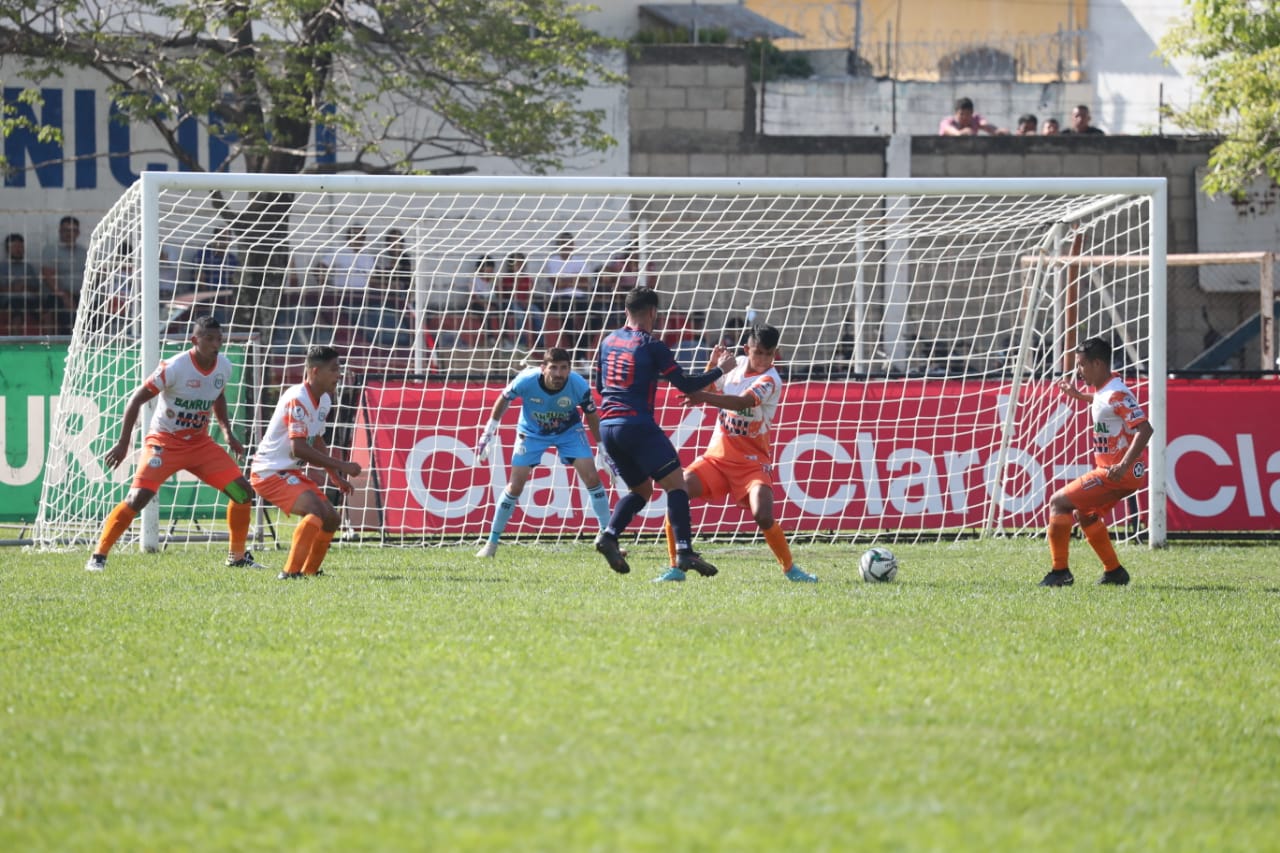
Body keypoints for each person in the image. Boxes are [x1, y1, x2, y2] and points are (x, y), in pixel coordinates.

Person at [84, 316, 262, 572]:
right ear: (195, 340)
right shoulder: (175, 367)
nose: (216, 344)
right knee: (138, 498)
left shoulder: (224, 366)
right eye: (209, 339)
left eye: (219, 339)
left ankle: (237, 557)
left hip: (200, 445)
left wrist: (227, 432)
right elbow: (136, 399)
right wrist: (124, 443)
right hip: (164, 442)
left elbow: (218, 396)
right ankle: (98, 556)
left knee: (243, 493)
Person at [592, 285, 737, 577]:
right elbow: (685, 384)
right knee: (676, 485)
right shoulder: (651, 345)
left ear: (625, 312)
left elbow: (598, 386)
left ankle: (609, 535)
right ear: (653, 313)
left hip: (608, 427)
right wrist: (722, 369)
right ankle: (684, 551)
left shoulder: (607, 342)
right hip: (636, 425)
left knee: (642, 490)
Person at [657, 323, 817, 583]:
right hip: (717, 458)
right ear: (747, 349)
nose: (764, 359)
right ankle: (675, 567)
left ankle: (791, 569)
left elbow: (741, 402)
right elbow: (706, 389)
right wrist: (712, 366)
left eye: (769, 354)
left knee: (763, 515)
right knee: (679, 491)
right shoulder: (734, 365)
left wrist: (703, 398)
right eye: (758, 353)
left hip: (753, 464)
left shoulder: (771, 380)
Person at [473, 347, 612, 557]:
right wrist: (488, 432)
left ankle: (607, 537)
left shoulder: (579, 385)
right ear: (543, 368)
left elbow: (591, 414)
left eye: (563, 368)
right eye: (553, 368)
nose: (558, 374)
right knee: (515, 485)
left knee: (592, 477)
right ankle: (491, 544)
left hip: (569, 432)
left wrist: (602, 447)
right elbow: (503, 398)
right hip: (532, 433)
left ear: (569, 369)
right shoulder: (526, 380)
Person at [1039, 337, 1152, 587]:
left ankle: (1060, 573)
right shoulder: (1107, 391)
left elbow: (1145, 429)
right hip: (1121, 473)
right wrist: (1080, 397)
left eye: (1081, 365)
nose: (1078, 371)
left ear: (1098, 364)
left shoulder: (1116, 392)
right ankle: (1114, 572)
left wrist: (1122, 465)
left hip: (1116, 473)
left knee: (1058, 502)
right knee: (1085, 514)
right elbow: (1106, 404)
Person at [250, 345, 362, 579]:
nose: (338, 374)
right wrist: (342, 465)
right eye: (333, 369)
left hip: (288, 471)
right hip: (268, 472)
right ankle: (289, 573)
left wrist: (334, 477)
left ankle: (310, 572)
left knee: (331, 518)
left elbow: (316, 439)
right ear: (314, 372)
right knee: (315, 512)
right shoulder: (297, 399)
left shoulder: (324, 401)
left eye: (339, 368)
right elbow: (299, 447)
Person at [40, 215, 88, 332]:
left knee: (97, 308)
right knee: (65, 311)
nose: (69, 233)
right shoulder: (51, 250)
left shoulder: (84, 252)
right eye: (66, 230)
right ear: (60, 231)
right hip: (57, 295)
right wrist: (64, 296)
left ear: (78, 232)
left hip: (81, 295)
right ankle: (66, 344)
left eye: (72, 230)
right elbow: (47, 275)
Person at [938, 97, 1005, 136]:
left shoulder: (975, 119)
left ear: (972, 113)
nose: (964, 117)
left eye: (967, 114)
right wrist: (962, 133)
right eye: (961, 114)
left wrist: (998, 131)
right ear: (956, 113)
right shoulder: (948, 122)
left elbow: (985, 125)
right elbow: (951, 130)